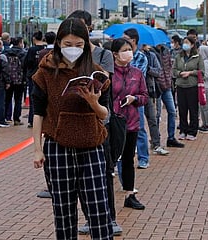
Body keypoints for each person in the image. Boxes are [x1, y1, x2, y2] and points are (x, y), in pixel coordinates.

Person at [32, 18, 113, 239]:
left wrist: (93, 102)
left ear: (86, 44)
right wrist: (37, 149)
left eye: (79, 45)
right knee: (63, 211)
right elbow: (37, 113)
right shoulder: (45, 73)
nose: (73, 49)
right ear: (58, 43)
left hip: (91, 146)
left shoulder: (96, 73)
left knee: (98, 210)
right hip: (58, 147)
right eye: (68, 44)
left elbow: (106, 114)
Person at [66, 9, 121, 235]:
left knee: (104, 174)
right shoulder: (66, 56)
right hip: (74, 124)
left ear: (89, 28)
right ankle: (90, 218)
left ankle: (110, 218)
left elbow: (105, 83)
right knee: (79, 179)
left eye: (80, 27)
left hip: (100, 122)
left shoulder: (103, 54)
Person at [111, 38, 149, 210]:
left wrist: (135, 99)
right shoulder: (109, 73)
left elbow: (145, 96)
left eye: (129, 49)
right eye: (124, 50)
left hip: (131, 123)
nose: (128, 53)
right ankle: (104, 198)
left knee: (128, 160)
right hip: (112, 123)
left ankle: (129, 195)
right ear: (115, 54)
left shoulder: (137, 73)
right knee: (109, 161)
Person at [122, 28, 151, 173]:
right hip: (120, 99)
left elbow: (136, 78)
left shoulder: (141, 57)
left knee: (139, 129)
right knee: (121, 129)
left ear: (133, 40)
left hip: (135, 99)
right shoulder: (119, 56)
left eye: (125, 38)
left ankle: (143, 158)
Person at [140, 44, 170, 160]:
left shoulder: (151, 56)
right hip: (133, 93)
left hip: (148, 91)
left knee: (152, 118)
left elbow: (158, 71)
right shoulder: (131, 57)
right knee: (136, 122)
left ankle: (156, 144)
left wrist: (148, 69)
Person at [154, 43, 185, 148]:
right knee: (156, 115)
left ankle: (171, 138)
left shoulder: (166, 51)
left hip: (167, 85)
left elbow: (169, 68)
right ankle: (155, 140)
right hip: (156, 87)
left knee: (172, 111)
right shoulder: (151, 53)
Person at [172, 37, 204, 141]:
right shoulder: (178, 57)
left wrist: (190, 73)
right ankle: (183, 130)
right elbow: (174, 70)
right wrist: (180, 73)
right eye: (183, 43)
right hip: (181, 86)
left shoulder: (198, 57)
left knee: (193, 110)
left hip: (192, 86)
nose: (184, 44)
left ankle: (192, 131)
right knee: (182, 110)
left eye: (187, 43)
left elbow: (202, 72)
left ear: (192, 45)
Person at [23, 31, 46, 128]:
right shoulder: (45, 50)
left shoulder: (32, 50)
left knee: (34, 99)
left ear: (34, 38)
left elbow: (27, 63)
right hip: (44, 77)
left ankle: (32, 120)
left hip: (33, 77)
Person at [4, 37, 27, 126]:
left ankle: (5, 117)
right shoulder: (23, 53)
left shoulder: (6, 52)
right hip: (19, 80)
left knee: (7, 99)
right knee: (18, 100)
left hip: (8, 80)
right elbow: (25, 67)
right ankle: (16, 119)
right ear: (20, 43)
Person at [0, 40, 10, 128]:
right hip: (0, 83)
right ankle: (1, 120)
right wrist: (8, 81)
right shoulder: (1, 56)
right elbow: (5, 71)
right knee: (1, 102)